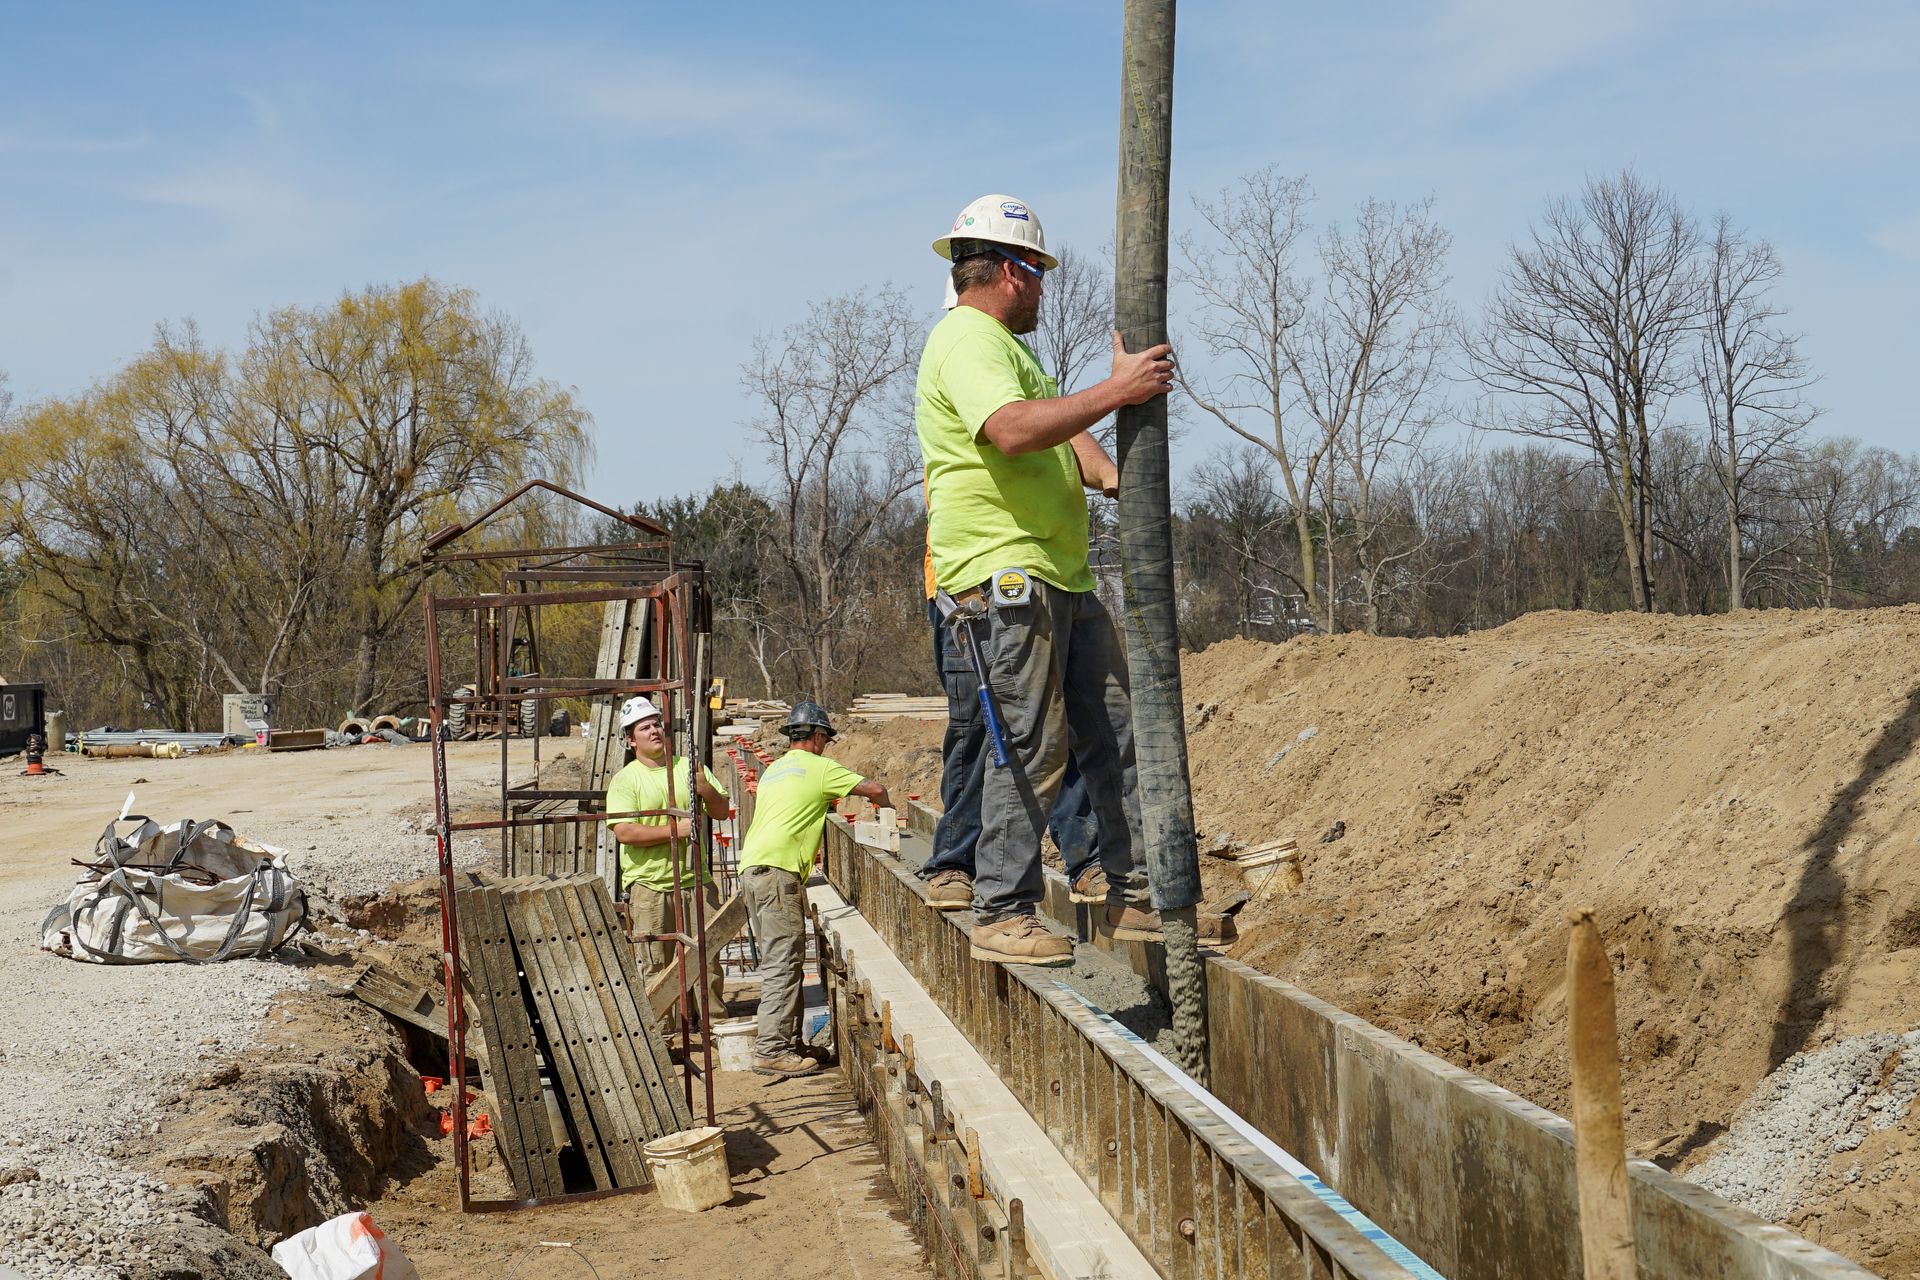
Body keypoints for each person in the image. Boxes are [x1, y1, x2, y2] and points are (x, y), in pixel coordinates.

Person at [917, 192, 1174, 966]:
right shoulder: (965, 340)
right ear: (1011, 272)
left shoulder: (1008, 350)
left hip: (1056, 573)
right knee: (1031, 743)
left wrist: (1115, 473)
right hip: (1005, 575)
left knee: (1115, 732)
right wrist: (1119, 388)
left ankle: (1132, 892)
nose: (1045, 289)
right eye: (1040, 272)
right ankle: (1002, 910)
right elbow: (1012, 429)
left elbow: (1064, 437)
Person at [738, 701, 891, 1076]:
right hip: (777, 874)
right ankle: (772, 1049)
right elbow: (874, 788)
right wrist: (889, 816)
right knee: (783, 963)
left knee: (785, 959)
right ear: (819, 736)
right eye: (825, 740)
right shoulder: (819, 767)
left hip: (755, 870)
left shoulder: (776, 769)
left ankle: (790, 1043)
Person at [605, 695, 730, 1027]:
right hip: (650, 886)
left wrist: (705, 789)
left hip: (695, 880)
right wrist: (677, 830)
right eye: (644, 727)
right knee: (657, 963)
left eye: (656, 723)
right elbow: (625, 832)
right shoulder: (626, 780)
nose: (654, 730)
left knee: (707, 958)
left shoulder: (689, 768)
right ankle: (662, 1033)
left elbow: (721, 811)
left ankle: (713, 1026)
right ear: (631, 740)